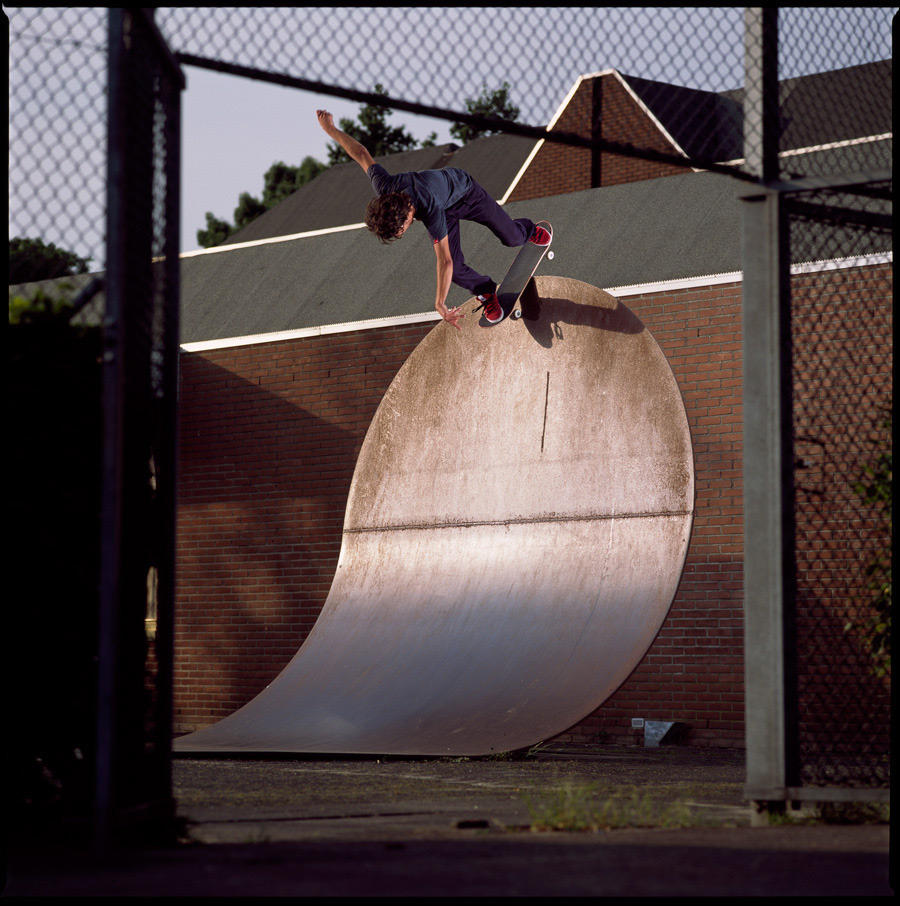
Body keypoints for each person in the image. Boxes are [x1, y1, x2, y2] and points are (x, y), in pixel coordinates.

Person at [316, 109, 550, 329]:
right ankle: (486, 290)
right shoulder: (385, 186)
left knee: (511, 238)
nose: (402, 233)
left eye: (402, 229)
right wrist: (330, 129)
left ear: (408, 214)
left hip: (466, 192)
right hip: (444, 204)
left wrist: (439, 302)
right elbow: (360, 153)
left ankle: (528, 229)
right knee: (457, 272)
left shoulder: (427, 206)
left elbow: (444, 260)